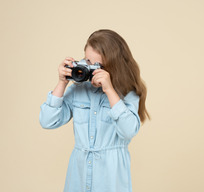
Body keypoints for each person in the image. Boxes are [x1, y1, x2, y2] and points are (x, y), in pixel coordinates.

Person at [39, 29, 150, 192]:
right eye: (88, 61)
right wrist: (62, 83)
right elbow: (47, 121)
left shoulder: (128, 93)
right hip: (78, 177)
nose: (90, 69)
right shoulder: (79, 90)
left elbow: (128, 131)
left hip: (111, 179)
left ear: (114, 67)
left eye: (99, 66)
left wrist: (110, 90)